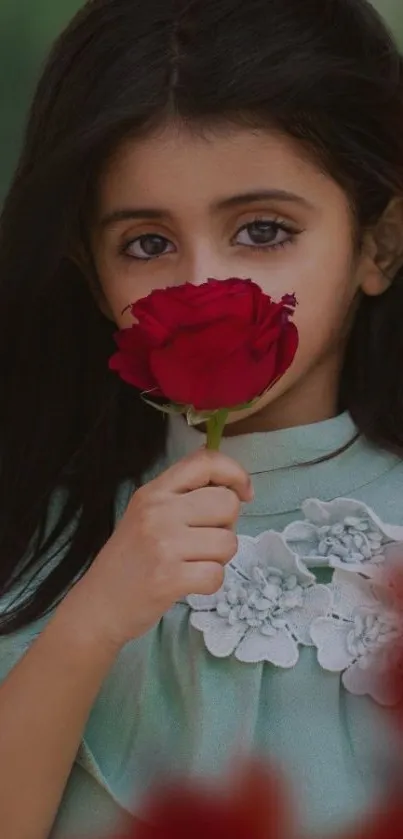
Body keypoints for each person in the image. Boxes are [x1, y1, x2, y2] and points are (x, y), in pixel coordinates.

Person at [1, 0, 403, 836]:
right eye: (147, 244)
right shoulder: (44, 530)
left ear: (378, 246)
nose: (203, 288)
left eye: (262, 230)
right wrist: (91, 623)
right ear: (91, 271)